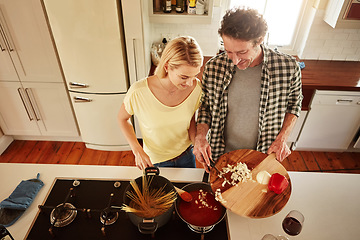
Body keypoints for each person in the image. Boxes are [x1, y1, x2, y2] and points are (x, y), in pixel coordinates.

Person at [193, 7, 303, 171]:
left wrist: (283, 138)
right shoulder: (214, 67)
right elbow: (206, 107)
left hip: (263, 154)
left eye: (242, 52)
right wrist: (200, 137)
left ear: (259, 40)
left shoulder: (287, 67)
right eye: (229, 51)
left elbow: (294, 104)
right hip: (220, 154)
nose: (235, 60)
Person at [118, 36, 203, 170]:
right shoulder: (139, 92)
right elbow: (122, 119)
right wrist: (137, 149)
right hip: (155, 160)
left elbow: (190, 120)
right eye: (184, 77)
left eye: (195, 76)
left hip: (186, 155)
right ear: (167, 66)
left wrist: (197, 143)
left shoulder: (196, 89)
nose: (190, 83)